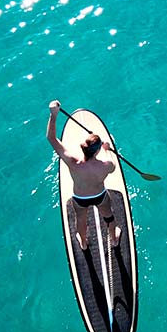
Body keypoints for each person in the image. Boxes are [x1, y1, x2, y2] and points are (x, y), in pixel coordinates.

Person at [47, 100, 120, 250]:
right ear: (97, 150)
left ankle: (83, 243)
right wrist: (107, 149)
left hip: (80, 198)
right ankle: (114, 239)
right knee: (109, 216)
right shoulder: (105, 165)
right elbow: (112, 167)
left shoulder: (73, 162)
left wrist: (53, 116)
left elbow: (51, 138)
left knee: (81, 220)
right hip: (99, 195)